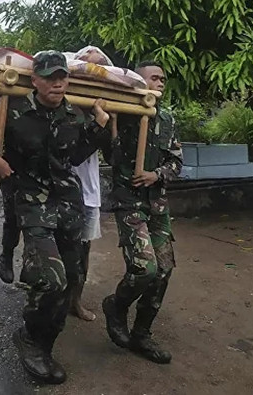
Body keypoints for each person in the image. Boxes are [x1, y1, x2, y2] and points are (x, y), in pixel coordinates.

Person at [0, 51, 110, 384]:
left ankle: (44, 345)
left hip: (68, 206)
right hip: (31, 203)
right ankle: (30, 335)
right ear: (35, 80)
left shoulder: (72, 115)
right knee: (51, 279)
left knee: (70, 280)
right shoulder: (14, 110)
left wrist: (98, 127)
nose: (57, 83)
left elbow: (75, 155)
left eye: (62, 76)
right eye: (49, 77)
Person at [101, 61, 182, 365]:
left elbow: (176, 162)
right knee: (144, 269)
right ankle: (116, 305)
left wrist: (156, 174)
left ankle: (142, 334)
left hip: (158, 204)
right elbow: (109, 153)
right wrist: (110, 122)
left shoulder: (169, 119)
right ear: (139, 82)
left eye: (163, 77)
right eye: (154, 77)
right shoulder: (122, 114)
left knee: (164, 271)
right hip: (129, 202)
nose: (160, 82)